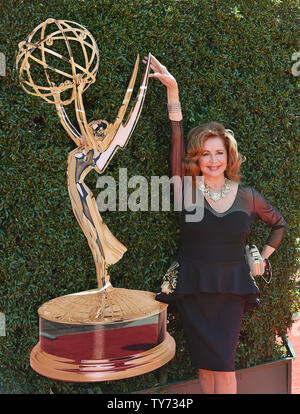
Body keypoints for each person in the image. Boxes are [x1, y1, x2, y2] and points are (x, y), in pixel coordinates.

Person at [143, 55, 287, 394]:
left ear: (229, 156)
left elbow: (279, 223)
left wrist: (262, 256)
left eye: (218, 153)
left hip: (229, 290)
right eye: (205, 153)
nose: (212, 160)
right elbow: (176, 136)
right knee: (205, 369)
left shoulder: (248, 196)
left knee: (225, 368)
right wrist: (173, 91)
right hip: (194, 287)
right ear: (197, 158)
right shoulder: (185, 191)